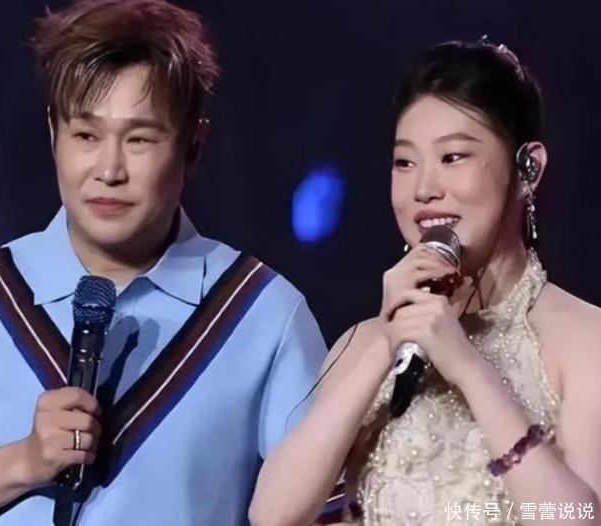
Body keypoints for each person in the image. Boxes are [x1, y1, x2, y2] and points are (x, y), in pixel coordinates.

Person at [0, 1, 327, 524]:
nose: (109, 170)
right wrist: (22, 461)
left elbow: (326, 512)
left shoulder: (262, 314)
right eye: (86, 136)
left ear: (193, 144)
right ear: (53, 133)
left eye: (139, 140)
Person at [249, 38, 601, 526]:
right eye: (405, 162)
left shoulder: (583, 339)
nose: (424, 189)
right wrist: (386, 340)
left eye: (452, 157)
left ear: (528, 168)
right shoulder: (362, 343)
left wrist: (470, 369)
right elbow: (272, 515)